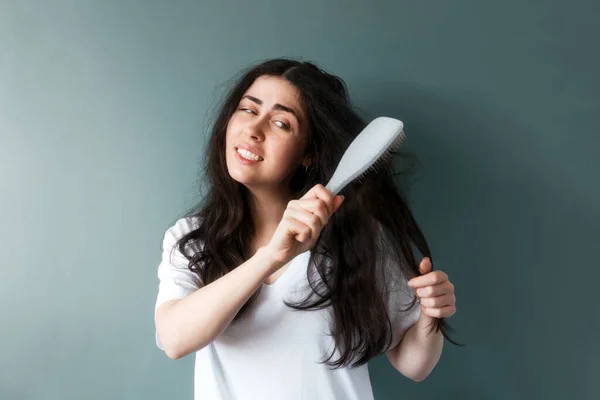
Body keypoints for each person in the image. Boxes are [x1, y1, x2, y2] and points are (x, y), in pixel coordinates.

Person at [154, 58, 458, 400]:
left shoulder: (358, 238)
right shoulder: (192, 238)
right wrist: (271, 257)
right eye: (247, 110)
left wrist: (432, 316)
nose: (254, 130)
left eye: (281, 123)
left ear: (308, 154)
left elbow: (413, 365)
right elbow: (174, 340)